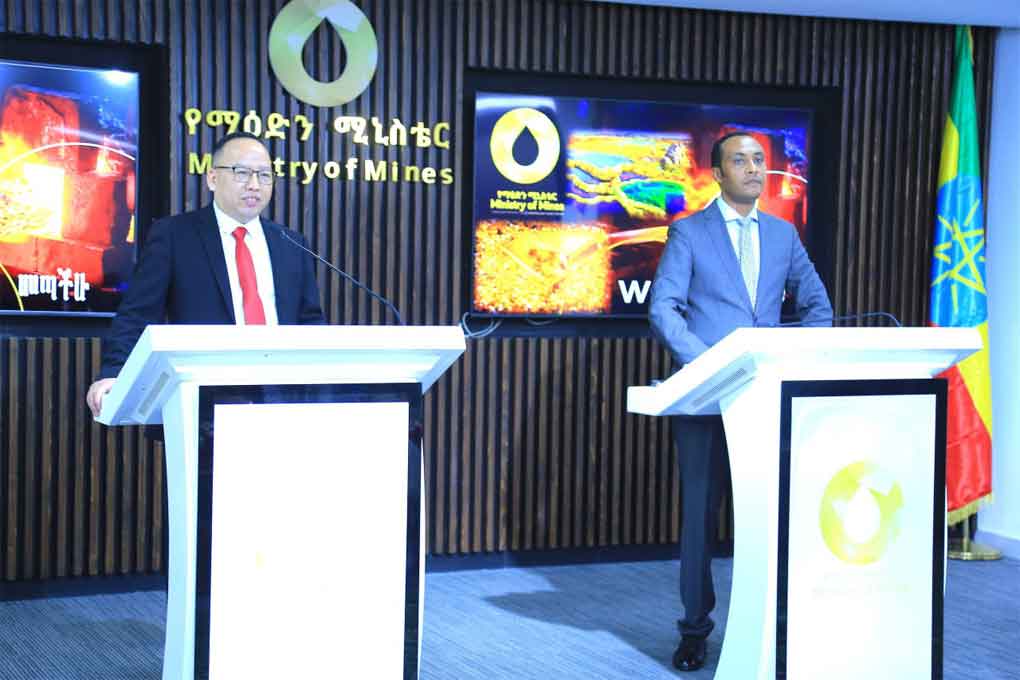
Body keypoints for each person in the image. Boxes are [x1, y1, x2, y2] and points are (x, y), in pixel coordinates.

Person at [648, 131, 832, 671]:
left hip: (767, 398)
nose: (753, 169)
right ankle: (694, 631)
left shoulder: (783, 234)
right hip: (706, 398)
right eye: (740, 160)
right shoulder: (689, 232)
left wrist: (793, 360)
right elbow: (663, 309)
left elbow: (818, 307)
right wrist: (712, 367)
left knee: (771, 516)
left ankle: (773, 622)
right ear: (717, 173)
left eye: (759, 160)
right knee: (700, 518)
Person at [86, 131, 325, 417]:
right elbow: (137, 315)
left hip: (284, 403)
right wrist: (115, 373)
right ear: (212, 178)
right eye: (241, 173)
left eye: (264, 175)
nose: (254, 185)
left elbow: (310, 324)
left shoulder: (291, 244)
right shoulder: (175, 236)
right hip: (203, 404)